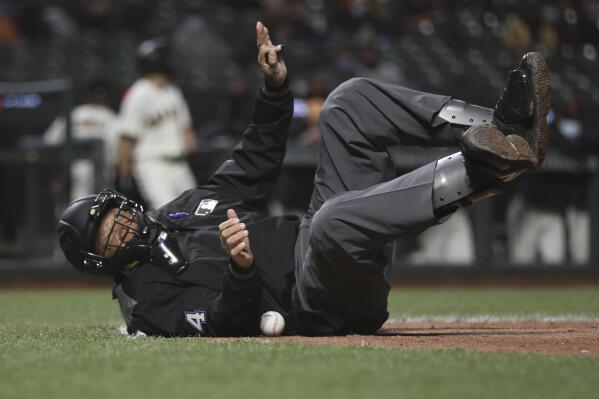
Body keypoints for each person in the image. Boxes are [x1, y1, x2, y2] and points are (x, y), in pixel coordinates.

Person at [57, 22, 550, 337]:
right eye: (110, 237)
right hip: (319, 299)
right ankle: (482, 168)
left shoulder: (181, 209)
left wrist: (275, 90)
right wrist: (242, 269)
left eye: (117, 215)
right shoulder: (146, 303)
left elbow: (255, 160)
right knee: (334, 221)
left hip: (318, 236)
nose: (123, 227)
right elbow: (221, 322)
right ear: (101, 262)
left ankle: (503, 130)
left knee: (347, 101)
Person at [116, 37, 200, 209]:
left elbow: (187, 130)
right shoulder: (139, 93)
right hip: (152, 164)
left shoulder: (173, 91)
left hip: (179, 164)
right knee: (167, 214)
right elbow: (127, 137)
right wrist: (124, 171)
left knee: (194, 211)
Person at [44, 80, 118, 200]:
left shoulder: (74, 113)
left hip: (72, 170)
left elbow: (49, 141)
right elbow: (116, 151)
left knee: (72, 210)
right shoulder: (110, 116)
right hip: (98, 173)